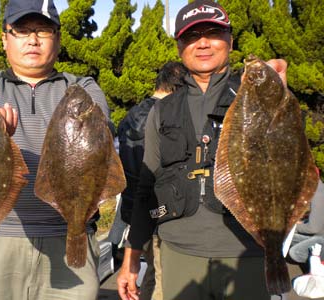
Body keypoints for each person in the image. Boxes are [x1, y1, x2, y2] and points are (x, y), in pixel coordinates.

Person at [116, 1, 288, 300]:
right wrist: (131, 257)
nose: (203, 43)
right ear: (180, 46)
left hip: (246, 254)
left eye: (213, 32)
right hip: (178, 253)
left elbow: (288, 161)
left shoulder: (259, 94)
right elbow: (146, 187)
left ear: (230, 41)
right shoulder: (163, 110)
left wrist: (279, 94)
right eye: (191, 36)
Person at [0, 1, 109, 299]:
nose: (33, 39)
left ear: (58, 39)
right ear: (4, 39)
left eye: (43, 30)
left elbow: (99, 146)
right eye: (22, 30)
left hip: (68, 237)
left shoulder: (82, 89)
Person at [116, 61, 189, 300]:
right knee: (166, 280)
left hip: (133, 211)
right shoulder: (167, 117)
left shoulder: (130, 115)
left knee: (153, 273)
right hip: (160, 211)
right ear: (178, 87)